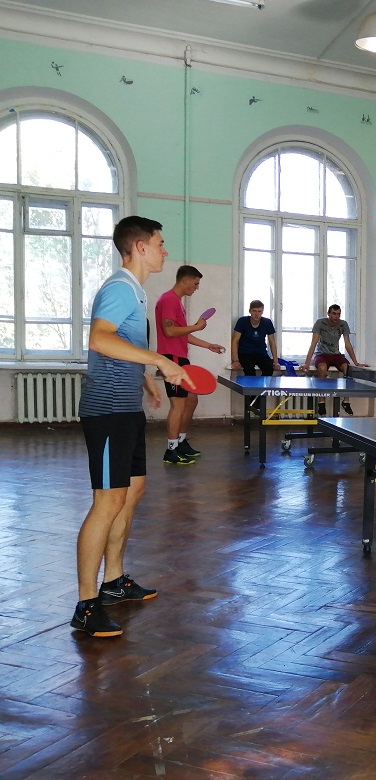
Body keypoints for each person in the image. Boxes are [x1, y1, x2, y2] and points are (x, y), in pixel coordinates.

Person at [73, 216, 191, 637]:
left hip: (127, 409)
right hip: (107, 412)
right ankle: (86, 605)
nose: (164, 251)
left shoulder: (136, 293)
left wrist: (145, 379)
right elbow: (99, 339)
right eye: (160, 243)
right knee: (107, 501)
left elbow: (121, 349)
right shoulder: (120, 289)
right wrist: (158, 361)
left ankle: (114, 581)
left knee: (132, 491)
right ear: (140, 247)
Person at [155, 265, 225, 464]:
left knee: (191, 400)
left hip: (180, 357)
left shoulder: (176, 301)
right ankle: (171, 450)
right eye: (195, 283)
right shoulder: (169, 300)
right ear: (185, 280)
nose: (196, 288)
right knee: (178, 404)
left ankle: (181, 441)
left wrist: (208, 345)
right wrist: (196, 326)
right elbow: (169, 331)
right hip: (171, 358)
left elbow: (181, 333)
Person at [302, 304, 368, 416]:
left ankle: (346, 401)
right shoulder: (320, 323)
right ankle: (321, 402)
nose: (336, 316)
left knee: (348, 369)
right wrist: (306, 364)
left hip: (336, 355)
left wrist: (356, 362)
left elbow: (347, 344)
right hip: (322, 354)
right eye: (333, 313)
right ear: (328, 313)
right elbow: (313, 343)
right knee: (322, 368)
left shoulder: (343, 324)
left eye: (338, 314)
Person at [231, 300, 279, 376]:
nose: (256, 314)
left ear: (262, 312)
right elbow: (235, 341)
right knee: (249, 371)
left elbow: (272, 342)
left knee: (269, 368)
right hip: (245, 353)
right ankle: (252, 384)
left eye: (259, 311)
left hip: (261, 353)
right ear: (250, 311)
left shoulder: (267, 322)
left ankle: (263, 384)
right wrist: (235, 360)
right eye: (254, 311)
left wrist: (276, 362)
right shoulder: (242, 321)